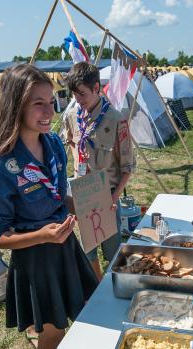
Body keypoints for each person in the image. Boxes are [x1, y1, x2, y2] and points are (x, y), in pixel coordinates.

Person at [0, 64, 98, 349]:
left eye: (51, 102)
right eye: (38, 104)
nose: (49, 112)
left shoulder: (54, 144)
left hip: (66, 249)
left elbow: (56, 196)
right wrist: (43, 236)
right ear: (16, 106)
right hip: (35, 260)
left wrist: (79, 206)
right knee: (53, 333)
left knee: (81, 314)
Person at [62, 62, 136, 281]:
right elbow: (72, 145)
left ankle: (116, 286)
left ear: (96, 88)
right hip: (82, 195)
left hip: (107, 196)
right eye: (75, 94)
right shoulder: (72, 116)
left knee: (113, 252)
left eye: (82, 94)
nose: (78, 100)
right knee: (88, 251)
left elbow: (128, 167)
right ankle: (96, 288)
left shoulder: (116, 120)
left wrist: (114, 197)